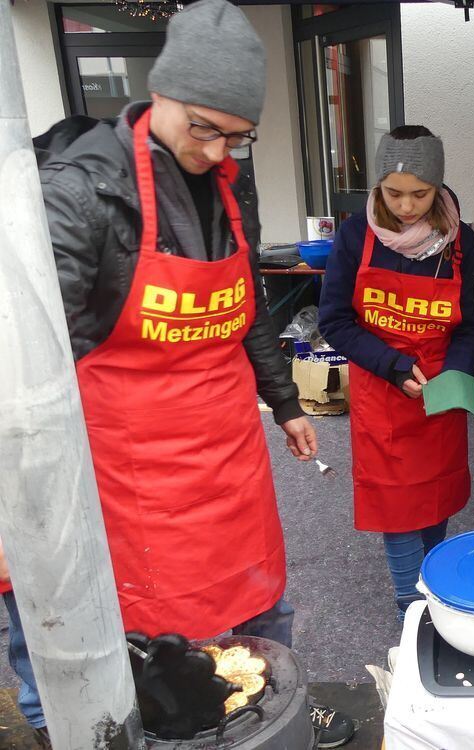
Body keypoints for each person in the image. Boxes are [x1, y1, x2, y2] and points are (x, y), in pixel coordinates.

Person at [4, 1, 353, 745]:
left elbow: (248, 305)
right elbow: (28, 362)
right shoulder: (81, 192)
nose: (219, 151)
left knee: (264, 607)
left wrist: (285, 400)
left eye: (237, 134)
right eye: (204, 128)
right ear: (159, 93)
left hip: (228, 449)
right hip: (136, 471)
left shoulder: (230, 179)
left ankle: (276, 709)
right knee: (162, 646)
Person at [318, 126, 474, 620]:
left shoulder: (460, 242)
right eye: (394, 193)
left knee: (436, 500)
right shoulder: (355, 237)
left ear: (438, 187)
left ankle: (432, 588)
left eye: (420, 193)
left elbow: (473, 326)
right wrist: (392, 364)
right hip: (382, 392)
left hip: (440, 394)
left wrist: (454, 374)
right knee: (396, 507)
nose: (407, 206)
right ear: (377, 187)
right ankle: (413, 610)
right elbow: (335, 321)